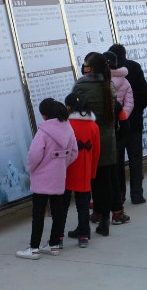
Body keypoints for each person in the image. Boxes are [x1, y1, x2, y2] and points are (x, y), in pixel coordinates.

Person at [74, 53, 129, 236]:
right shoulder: (109, 85)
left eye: (86, 64)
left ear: (90, 68)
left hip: (87, 140)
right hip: (107, 140)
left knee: (88, 184)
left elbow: (74, 110)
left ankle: (86, 222)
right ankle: (105, 220)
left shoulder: (82, 87)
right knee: (106, 182)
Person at [16, 99, 78, 260]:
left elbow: (34, 155)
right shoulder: (68, 128)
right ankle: (54, 244)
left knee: (38, 213)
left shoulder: (43, 131)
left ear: (45, 116)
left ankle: (34, 248)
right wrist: (61, 165)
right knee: (58, 211)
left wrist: (31, 169)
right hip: (58, 176)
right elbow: (74, 152)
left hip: (42, 178)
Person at [108, 44, 147, 205]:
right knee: (135, 158)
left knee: (117, 160)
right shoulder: (134, 67)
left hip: (115, 125)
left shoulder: (106, 72)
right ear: (125, 54)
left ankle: (120, 195)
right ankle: (137, 195)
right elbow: (145, 92)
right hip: (134, 122)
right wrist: (138, 109)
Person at [63, 93, 100, 248]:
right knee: (83, 205)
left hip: (67, 169)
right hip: (84, 170)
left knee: (62, 205)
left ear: (69, 107)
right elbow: (96, 152)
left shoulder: (66, 124)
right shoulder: (93, 126)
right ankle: (83, 235)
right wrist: (92, 172)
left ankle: (58, 236)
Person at [103, 51, 134, 118]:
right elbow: (129, 103)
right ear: (116, 63)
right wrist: (121, 117)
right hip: (118, 117)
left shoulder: (98, 79)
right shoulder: (125, 82)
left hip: (101, 120)